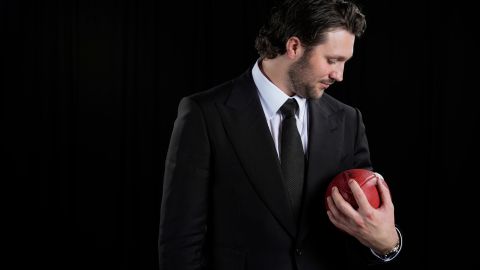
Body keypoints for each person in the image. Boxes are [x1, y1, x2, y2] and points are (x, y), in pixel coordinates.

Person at [158, 0, 402, 269]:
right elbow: (180, 243)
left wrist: (387, 243)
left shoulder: (348, 121)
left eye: (345, 62)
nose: (339, 75)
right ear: (294, 46)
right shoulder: (205, 114)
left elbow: (363, 229)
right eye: (332, 60)